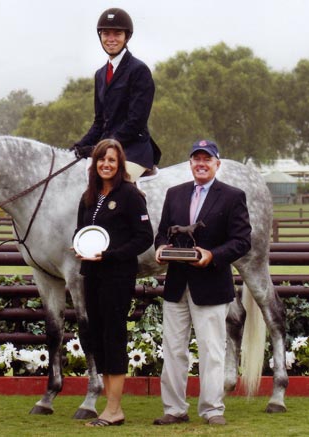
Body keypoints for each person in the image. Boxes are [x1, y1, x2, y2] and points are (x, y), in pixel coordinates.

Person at [153, 140, 252, 426]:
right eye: (196, 159)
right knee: (172, 349)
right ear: (190, 163)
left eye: (207, 159)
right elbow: (162, 234)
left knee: (212, 349)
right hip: (176, 285)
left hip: (211, 285)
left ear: (217, 164)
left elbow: (242, 241)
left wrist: (213, 255)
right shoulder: (175, 194)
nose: (201, 163)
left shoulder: (233, 196)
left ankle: (212, 409)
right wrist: (160, 248)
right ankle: (174, 409)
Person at [73, 139, 153, 427]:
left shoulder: (131, 195)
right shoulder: (88, 196)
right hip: (91, 275)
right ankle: (110, 406)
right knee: (98, 339)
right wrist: (79, 247)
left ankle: (114, 409)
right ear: (94, 164)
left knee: (114, 337)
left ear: (119, 165)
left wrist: (111, 255)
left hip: (117, 277)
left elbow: (145, 237)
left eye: (112, 160)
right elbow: (82, 231)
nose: (106, 164)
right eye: (101, 160)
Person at [71, 7, 161, 182]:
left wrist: (101, 148)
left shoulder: (138, 70)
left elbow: (135, 122)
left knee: (109, 184)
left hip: (133, 150)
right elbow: (99, 122)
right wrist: (78, 147)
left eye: (117, 34)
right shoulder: (100, 74)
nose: (111, 39)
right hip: (108, 149)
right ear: (100, 37)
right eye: (106, 34)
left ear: (126, 37)